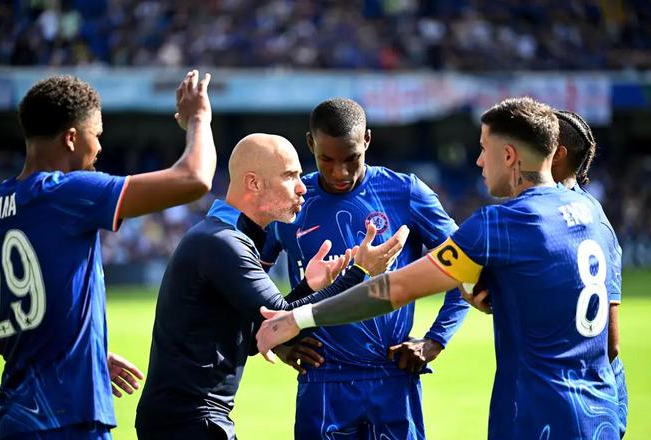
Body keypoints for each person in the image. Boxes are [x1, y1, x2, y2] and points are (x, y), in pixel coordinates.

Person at [257, 97, 622, 439]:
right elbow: (612, 344)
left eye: (483, 149)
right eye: (327, 159)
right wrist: (282, 340)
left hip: (525, 410)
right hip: (600, 407)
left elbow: (399, 288)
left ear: (509, 155)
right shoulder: (594, 214)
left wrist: (297, 319)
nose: (478, 161)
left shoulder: (492, 222)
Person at [134, 133, 409, 440]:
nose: (302, 187)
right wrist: (359, 271)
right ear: (253, 183)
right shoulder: (222, 242)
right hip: (189, 422)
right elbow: (283, 323)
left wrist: (308, 287)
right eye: (290, 176)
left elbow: (260, 334)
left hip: (187, 419)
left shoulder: (223, 237)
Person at [0, 70, 216, 439]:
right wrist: (199, 118)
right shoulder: (66, 192)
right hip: (66, 418)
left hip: (11, 417)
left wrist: (80, 355)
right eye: (96, 135)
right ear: (71, 138)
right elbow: (194, 178)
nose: (98, 148)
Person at [259, 98, 468, 439]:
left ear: (367, 140)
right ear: (310, 144)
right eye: (327, 160)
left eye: (351, 158)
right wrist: (278, 341)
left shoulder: (405, 192)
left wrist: (435, 341)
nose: (340, 172)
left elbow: (465, 267)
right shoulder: (291, 201)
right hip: (322, 379)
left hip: (393, 376)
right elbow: (247, 282)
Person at [464, 108, 628, 438]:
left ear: (556, 153)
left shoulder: (535, 218)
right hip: (602, 405)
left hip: (548, 408)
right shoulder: (593, 216)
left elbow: (609, 340)